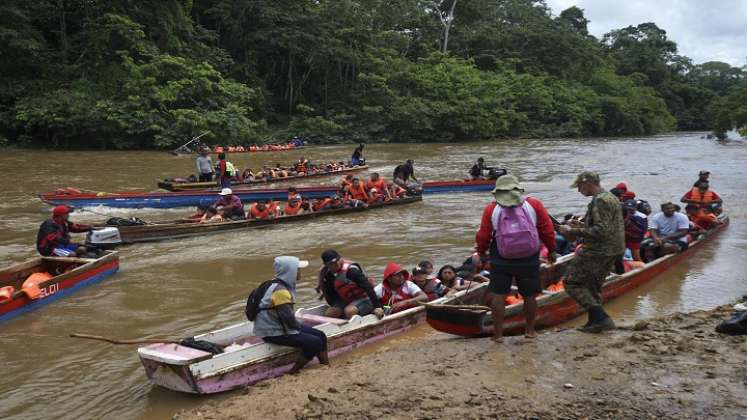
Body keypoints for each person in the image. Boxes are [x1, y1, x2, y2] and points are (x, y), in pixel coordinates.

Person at [475, 175, 557, 342]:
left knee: (498, 295)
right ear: (518, 190)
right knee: (529, 295)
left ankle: (497, 335)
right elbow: (547, 229)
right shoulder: (533, 204)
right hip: (529, 257)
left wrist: (482, 252)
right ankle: (530, 331)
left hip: (501, 258)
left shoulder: (491, 209)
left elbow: (483, 235)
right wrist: (552, 250)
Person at [558, 172, 625, 333]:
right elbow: (605, 225)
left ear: (587, 183)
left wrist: (573, 231)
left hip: (600, 249)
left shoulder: (601, 200)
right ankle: (595, 321)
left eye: (579, 187)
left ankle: (601, 318)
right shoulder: (609, 196)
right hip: (614, 248)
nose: (579, 190)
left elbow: (602, 231)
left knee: (571, 282)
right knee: (592, 286)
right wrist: (579, 226)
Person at [252, 256, 329, 374]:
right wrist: (301, 329)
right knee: (314, 342)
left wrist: (301, 328)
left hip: (277, 327)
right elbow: (288, 320)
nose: (299, 272)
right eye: (297, 269)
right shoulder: (280, 291)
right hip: (273, 332)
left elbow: (287, 319)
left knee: (321, 335)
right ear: (290, 271)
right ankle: (293, 372)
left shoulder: (273, 284)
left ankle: (325, 365)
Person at [318, 250, 384, 319]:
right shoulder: (327, 274)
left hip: (364, 297)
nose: (336, 264)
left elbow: (368, 287)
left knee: (349, 311)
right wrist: (337, 307)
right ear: (326, 265)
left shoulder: (351, 271)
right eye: (331, 263)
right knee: (330, 314)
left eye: (337, 260)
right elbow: (331, 294)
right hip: (347, 299)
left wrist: (377, 307)